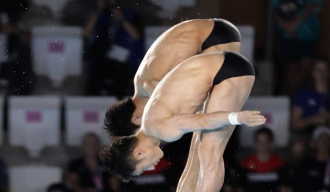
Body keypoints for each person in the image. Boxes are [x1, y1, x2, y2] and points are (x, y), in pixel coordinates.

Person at [101, 51, 264, 192]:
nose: (152, 167)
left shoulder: (161, 128)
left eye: (144, 168)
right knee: (199, 133)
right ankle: (187, 181)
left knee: (210, 149)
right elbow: (195, 120)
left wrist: (236, 117)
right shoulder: (149, 122)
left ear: (138, 153)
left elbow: (205, 121)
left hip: (232, 72)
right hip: (217, 71)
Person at [103, 18, 241, 137]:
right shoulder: (142, 84)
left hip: (216, 36)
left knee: (210, 125)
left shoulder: (148, 86)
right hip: (215, 33)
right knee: (207, 117)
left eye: (143, 127)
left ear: (137, 117)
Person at [83, 0, 144, 97]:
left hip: (123, 57)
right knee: (95, 69)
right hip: (101, 55)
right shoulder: (100, 14)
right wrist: (99, 10)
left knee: (121, 72)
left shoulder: (130, 13)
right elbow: (86, 33)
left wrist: (121, 18)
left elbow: (136, 35)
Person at [236, 127, 291, 192]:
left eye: (265, 142)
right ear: (255, 143)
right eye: (259, 142)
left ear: (271, 143)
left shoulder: (280, 164)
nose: (262, 145)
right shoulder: (244, 164)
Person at [272, 0, 322, 95]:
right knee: (290, 71)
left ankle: (297, 101)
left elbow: (313, 4)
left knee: (305, 70)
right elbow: (274, 7)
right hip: (285, 34)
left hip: (308, 33)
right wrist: (285, 26)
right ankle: (290, 101)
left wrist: (296, 23)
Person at [294, 126, 330, 192]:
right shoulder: (305, 165)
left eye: (327, 138)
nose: (323, 142)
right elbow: (299, 190)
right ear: (314, 142)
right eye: (320, 138)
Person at [291, 57, 330, 133]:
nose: (322, 74)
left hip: (328, 134)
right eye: (318, 70)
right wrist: (313, 119)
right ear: (313, 71)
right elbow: (294, 124)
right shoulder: (303, 93)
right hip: (307, 134)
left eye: (325, 70)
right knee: (299, 145)